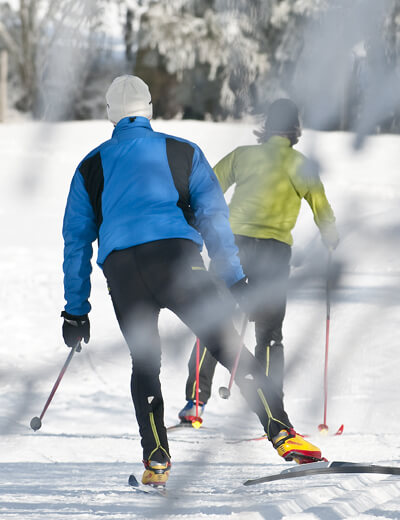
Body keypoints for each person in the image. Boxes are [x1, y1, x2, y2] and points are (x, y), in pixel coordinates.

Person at [60, 76, 325, 488]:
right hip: (177, 261)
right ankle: (282, 432)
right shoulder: (183, 151)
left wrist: (76, 311)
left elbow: (76, 241)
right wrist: (234, 278)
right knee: (226, 344)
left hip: (124, 272)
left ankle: (157, 459)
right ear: (149, 109)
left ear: (111, 114)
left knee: (145, 363)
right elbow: (213, 217)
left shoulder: (89, 166)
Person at [178, 98, 339, 424]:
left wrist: (194, 220)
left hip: (231, 246)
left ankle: (196, 401)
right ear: (295, 128)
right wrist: (330, 236)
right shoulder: (302, 165)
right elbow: (321, 208)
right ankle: (272, 409)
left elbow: (208, 185)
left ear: (267, 125)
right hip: (273, 253)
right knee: (269, 333)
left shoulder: (243, 155)